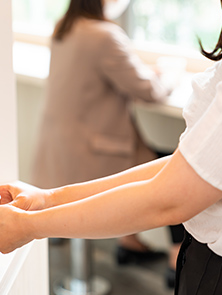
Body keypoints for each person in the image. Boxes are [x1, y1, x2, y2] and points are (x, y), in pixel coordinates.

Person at [0, 0, 222, 293]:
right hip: (100, 157)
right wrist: (45, 202)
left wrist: (32, 223)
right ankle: (149, 249)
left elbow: (174, 192)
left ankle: (139, 247)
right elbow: (186, 167)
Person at [29, 0, 168, 262]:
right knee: (172, 168)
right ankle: (175, 259)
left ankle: (130, 241)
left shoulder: (64, 27)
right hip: (90, 156)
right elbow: (150, 91)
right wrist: (168, 74)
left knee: (149, 152)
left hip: (58, 151)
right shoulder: (104, 35)